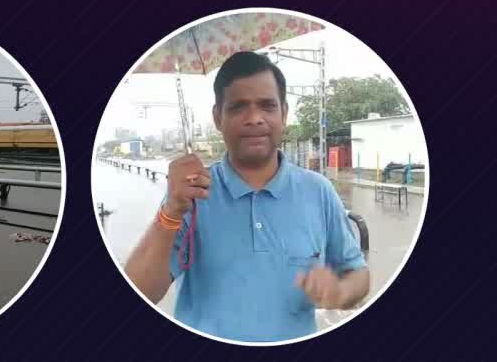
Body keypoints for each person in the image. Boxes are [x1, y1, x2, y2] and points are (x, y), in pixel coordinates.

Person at [123, 51, 369, 342]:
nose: (254, 119)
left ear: (284, 113)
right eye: (238, 107)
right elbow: (140, 291)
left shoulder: (319, 191)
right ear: (218, 117)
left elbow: (359, 275)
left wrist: (340, 292)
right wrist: (170, 212)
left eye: (267, 106)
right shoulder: (191, 196)